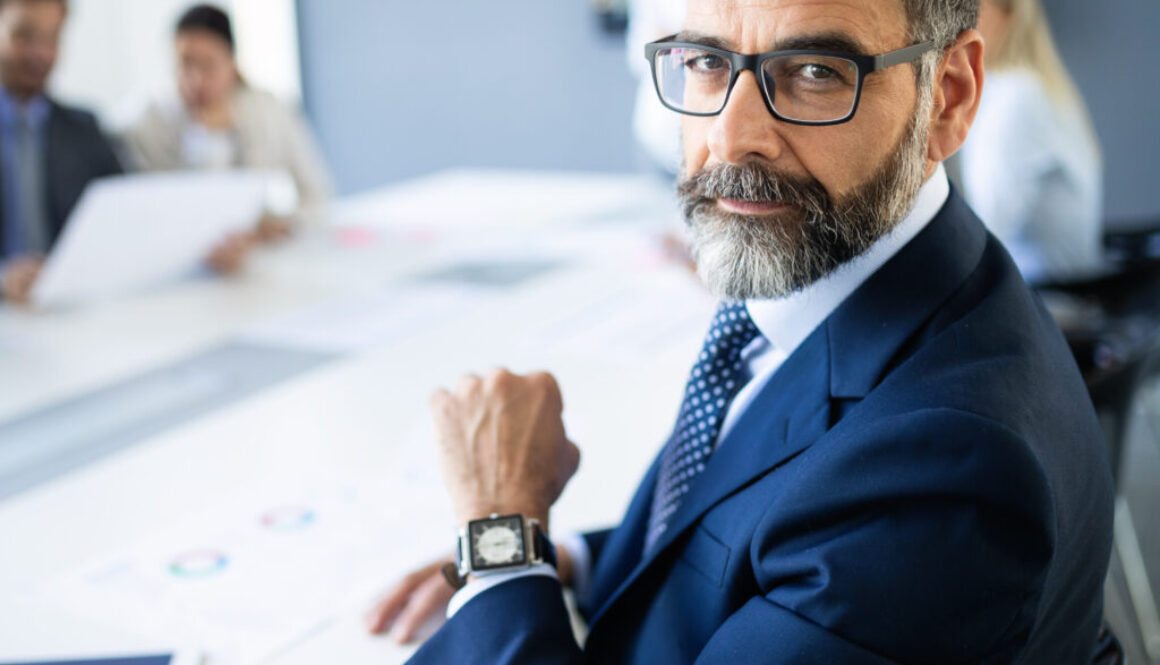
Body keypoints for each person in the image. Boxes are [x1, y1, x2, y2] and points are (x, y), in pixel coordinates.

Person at [368, 1, 1118, 663]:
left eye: (816, 72)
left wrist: (500, 537)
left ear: (947, 98)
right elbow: (743, 530)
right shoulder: (832, 286)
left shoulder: (950, 471)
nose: (731, 139)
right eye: (704, 61)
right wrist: (568, 563)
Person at [122, 4, 332, 240]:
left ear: (232, 64)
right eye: (184, 65)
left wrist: (284, 225)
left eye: (208, 66)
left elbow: (317, 193)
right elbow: (163, 215)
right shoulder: (148, 127)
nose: (195, 81)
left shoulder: (270, 110)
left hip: (261, 252)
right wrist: (205, 140)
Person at [958, 0, 1105, 284]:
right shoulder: (1023, 89)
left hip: (1045, 296)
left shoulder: (1017, 98)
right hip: (1043, 290)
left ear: (1010, 15)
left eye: (969, 9)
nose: (952, 26)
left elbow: (982, 237)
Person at [0, 0, 122, 303]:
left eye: (51, 38)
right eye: (24, 36)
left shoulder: (84, 128)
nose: (40, 53)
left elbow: (128, 216)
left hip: (70, 308)